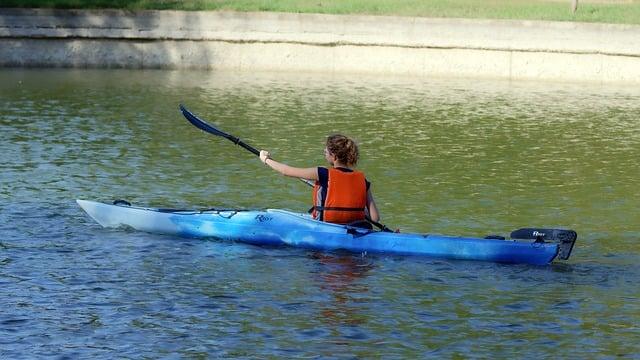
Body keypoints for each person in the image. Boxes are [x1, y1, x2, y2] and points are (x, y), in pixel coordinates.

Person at [259, 134, 380, 225]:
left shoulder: (322, 173)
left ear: (334, 156)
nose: (324, 152)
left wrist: (266, 160)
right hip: (356, 229)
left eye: (326, 151)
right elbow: (375, 218)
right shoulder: (362, 180)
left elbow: (286, 171)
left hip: (326, 227)